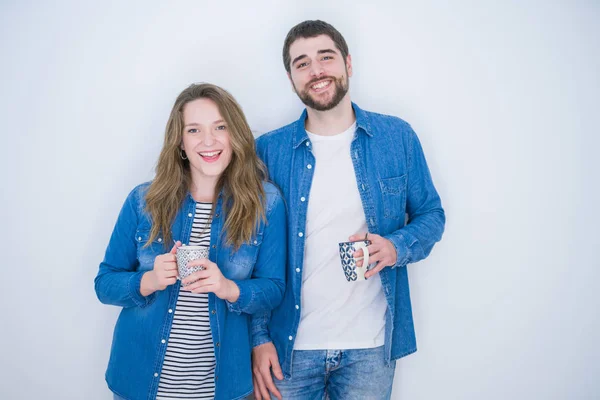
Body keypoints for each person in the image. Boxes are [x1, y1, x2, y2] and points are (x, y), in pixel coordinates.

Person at [251, 20, 446, 400]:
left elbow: (431, 215)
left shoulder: (396, 137)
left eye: (326, 57)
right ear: (290, 77)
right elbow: (251, 253)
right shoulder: (267, 152)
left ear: (348, 64)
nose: (316, 70)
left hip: (370, 348)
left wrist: (395, 246)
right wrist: (258, 339)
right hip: (287, 347)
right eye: (301, 63)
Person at [95, 83, 286, 400]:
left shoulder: (265, 202)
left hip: (221, 387)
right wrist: (150, 280)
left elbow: (274, 289)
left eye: (220, 127)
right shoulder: (143, 201)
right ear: (181, 143)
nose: (209, 141)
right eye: (194, 130)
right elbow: (105, 283)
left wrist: (228, 288)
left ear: (234, 135)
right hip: (141, 384)